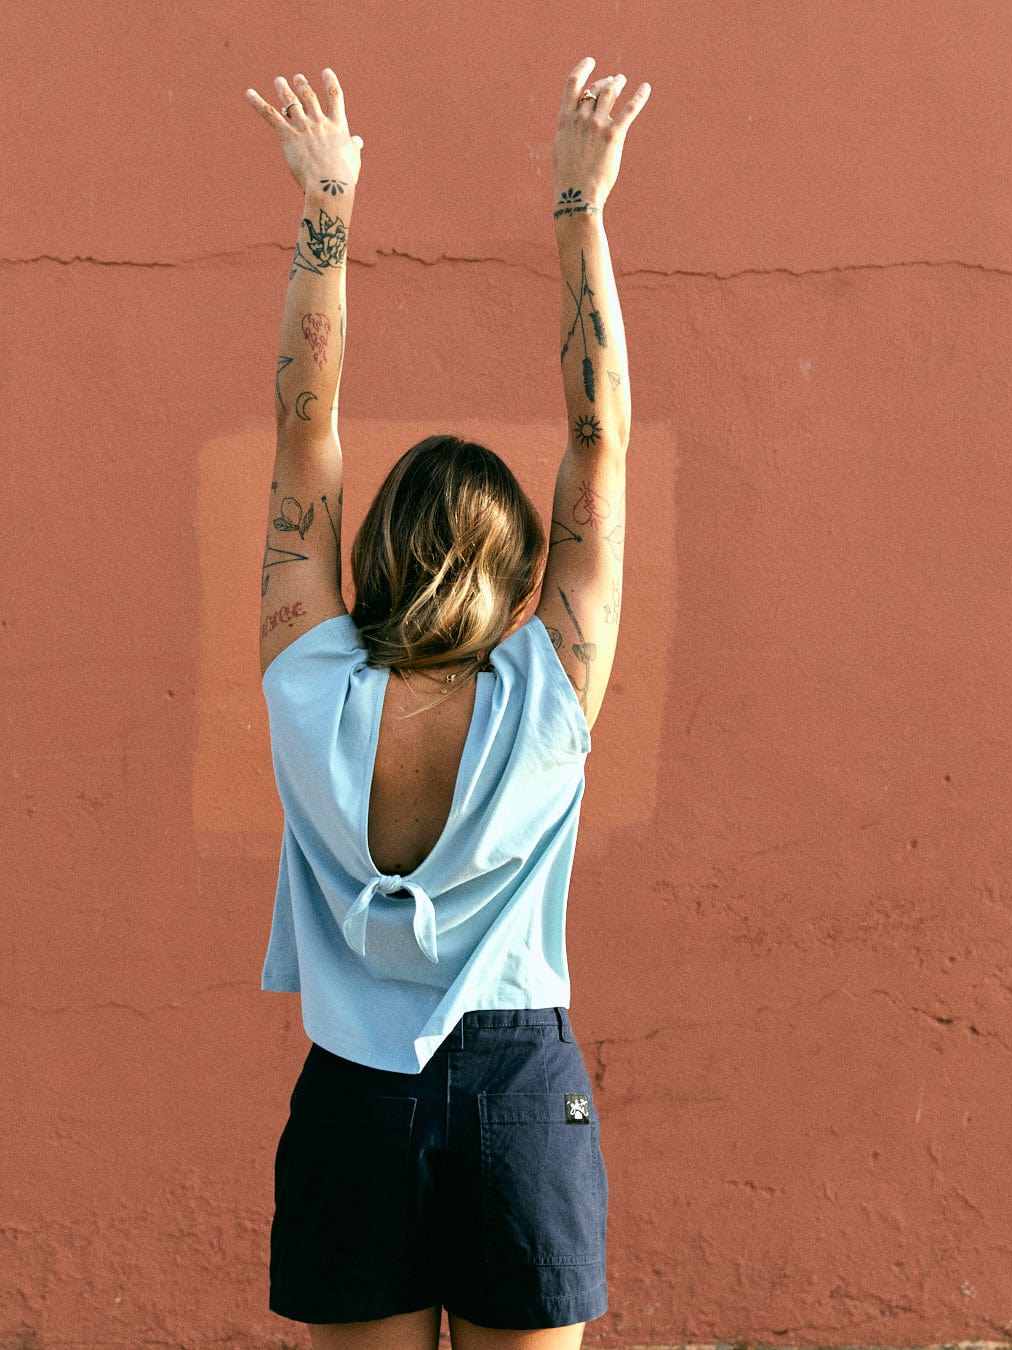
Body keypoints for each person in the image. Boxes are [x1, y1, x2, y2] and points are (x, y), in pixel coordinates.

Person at [243, 57, 650, 1350]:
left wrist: (328, 208)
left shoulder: (308, 681)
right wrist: (579, 204)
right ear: (516, 567)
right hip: (518, 1091)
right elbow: (601, 444)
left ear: (380, 547)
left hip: (355, 1105)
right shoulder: (547, 689)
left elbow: (304, 428)